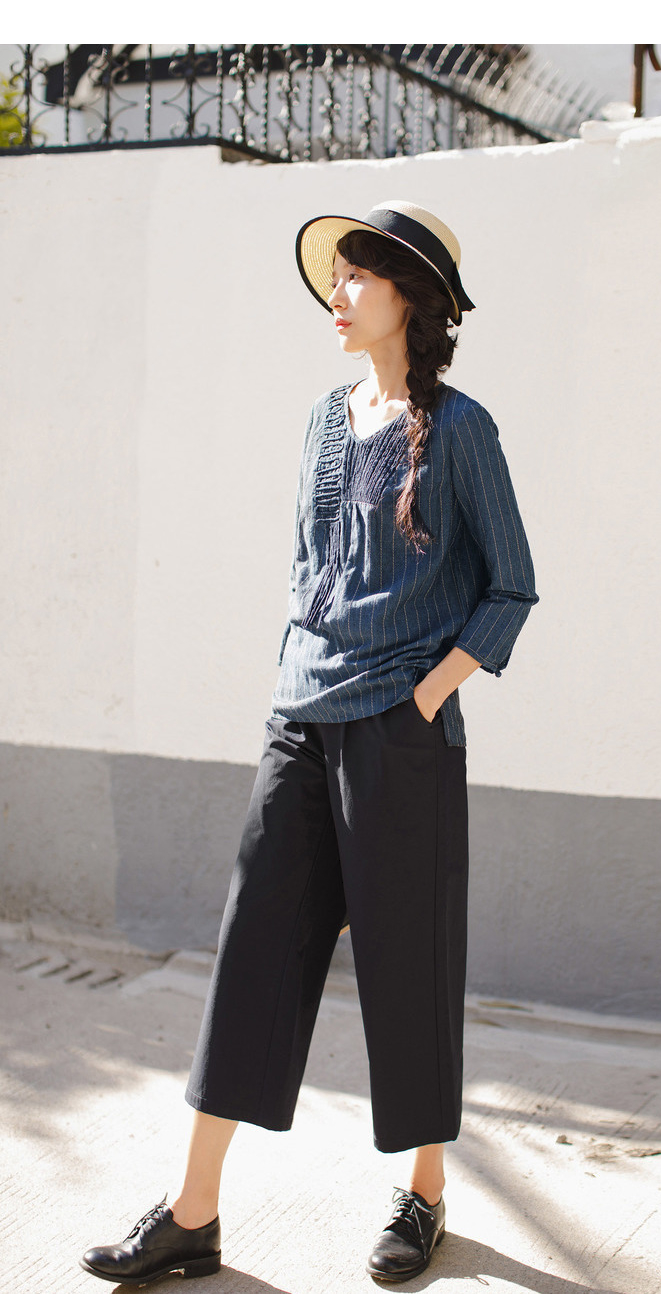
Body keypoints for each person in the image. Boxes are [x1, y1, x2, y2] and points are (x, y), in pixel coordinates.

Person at [79, 200, 539, 1286]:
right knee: (253, 950)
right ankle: (193, 1211)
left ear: (411, 298)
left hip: (398, 733)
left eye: (357, 276)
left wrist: (426, 693)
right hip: (300, 718)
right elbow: (306, 563)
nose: (337, 294)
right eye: (334, 277)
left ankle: (424, 1192)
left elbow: (511, 586)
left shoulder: (463, 429)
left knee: (406, 960)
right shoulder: (325, 420)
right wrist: (297, 676)